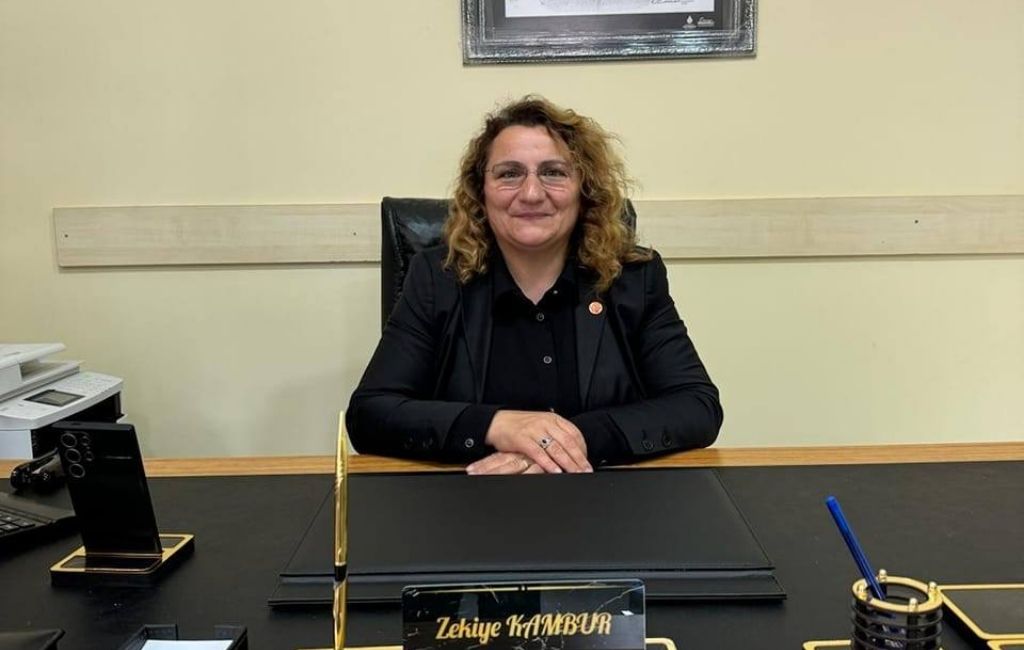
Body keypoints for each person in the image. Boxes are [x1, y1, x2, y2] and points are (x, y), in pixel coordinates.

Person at [347, 96, 722, 474]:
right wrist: (496, 425)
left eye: (553, 172)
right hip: (469, 498)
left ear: (584, 189)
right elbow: (370, 412)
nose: (531, 193)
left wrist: (569, 442)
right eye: (509, 173)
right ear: (481, 191)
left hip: (604, 496)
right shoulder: (437, 277)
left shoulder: (633, 278)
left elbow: (696, 405)